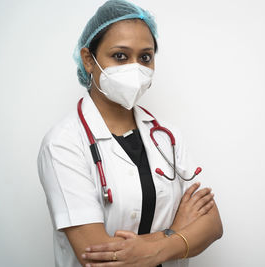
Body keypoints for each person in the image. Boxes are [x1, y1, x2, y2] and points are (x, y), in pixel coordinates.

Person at [37, 0, 223, 266]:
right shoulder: (63, 144)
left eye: (145, 57)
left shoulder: (167, 136)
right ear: (89, 60)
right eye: (120, 56)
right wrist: (173, 234)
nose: (135, 67)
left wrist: (153, 247)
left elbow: (212, 224)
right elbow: (97, 255)